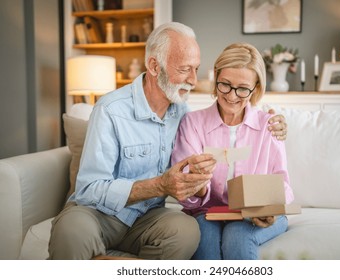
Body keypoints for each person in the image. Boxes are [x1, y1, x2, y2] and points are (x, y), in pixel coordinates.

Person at [48, 23, 287, 260]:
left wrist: (271, 120)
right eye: (185, 69)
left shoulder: (181, 112)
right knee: (71, 230)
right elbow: (89, 189)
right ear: (154, 65)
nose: (193, 80)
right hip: (99, 214)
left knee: (186, 231)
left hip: (148, 217)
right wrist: (161, 185)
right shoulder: (111, 110)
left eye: (196, 69)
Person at [171, 42, 294, 260]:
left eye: (243, 89)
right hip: (206, 213)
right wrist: (197, 184)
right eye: (225, 85)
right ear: (216, 77)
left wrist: (268, 209)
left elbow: (283, 186)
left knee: (237, 235)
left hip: (254, 214)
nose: (232, 96)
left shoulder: (269, 126)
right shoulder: (193, 123)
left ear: (256, 89)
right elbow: (184, 193)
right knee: (204, 241)